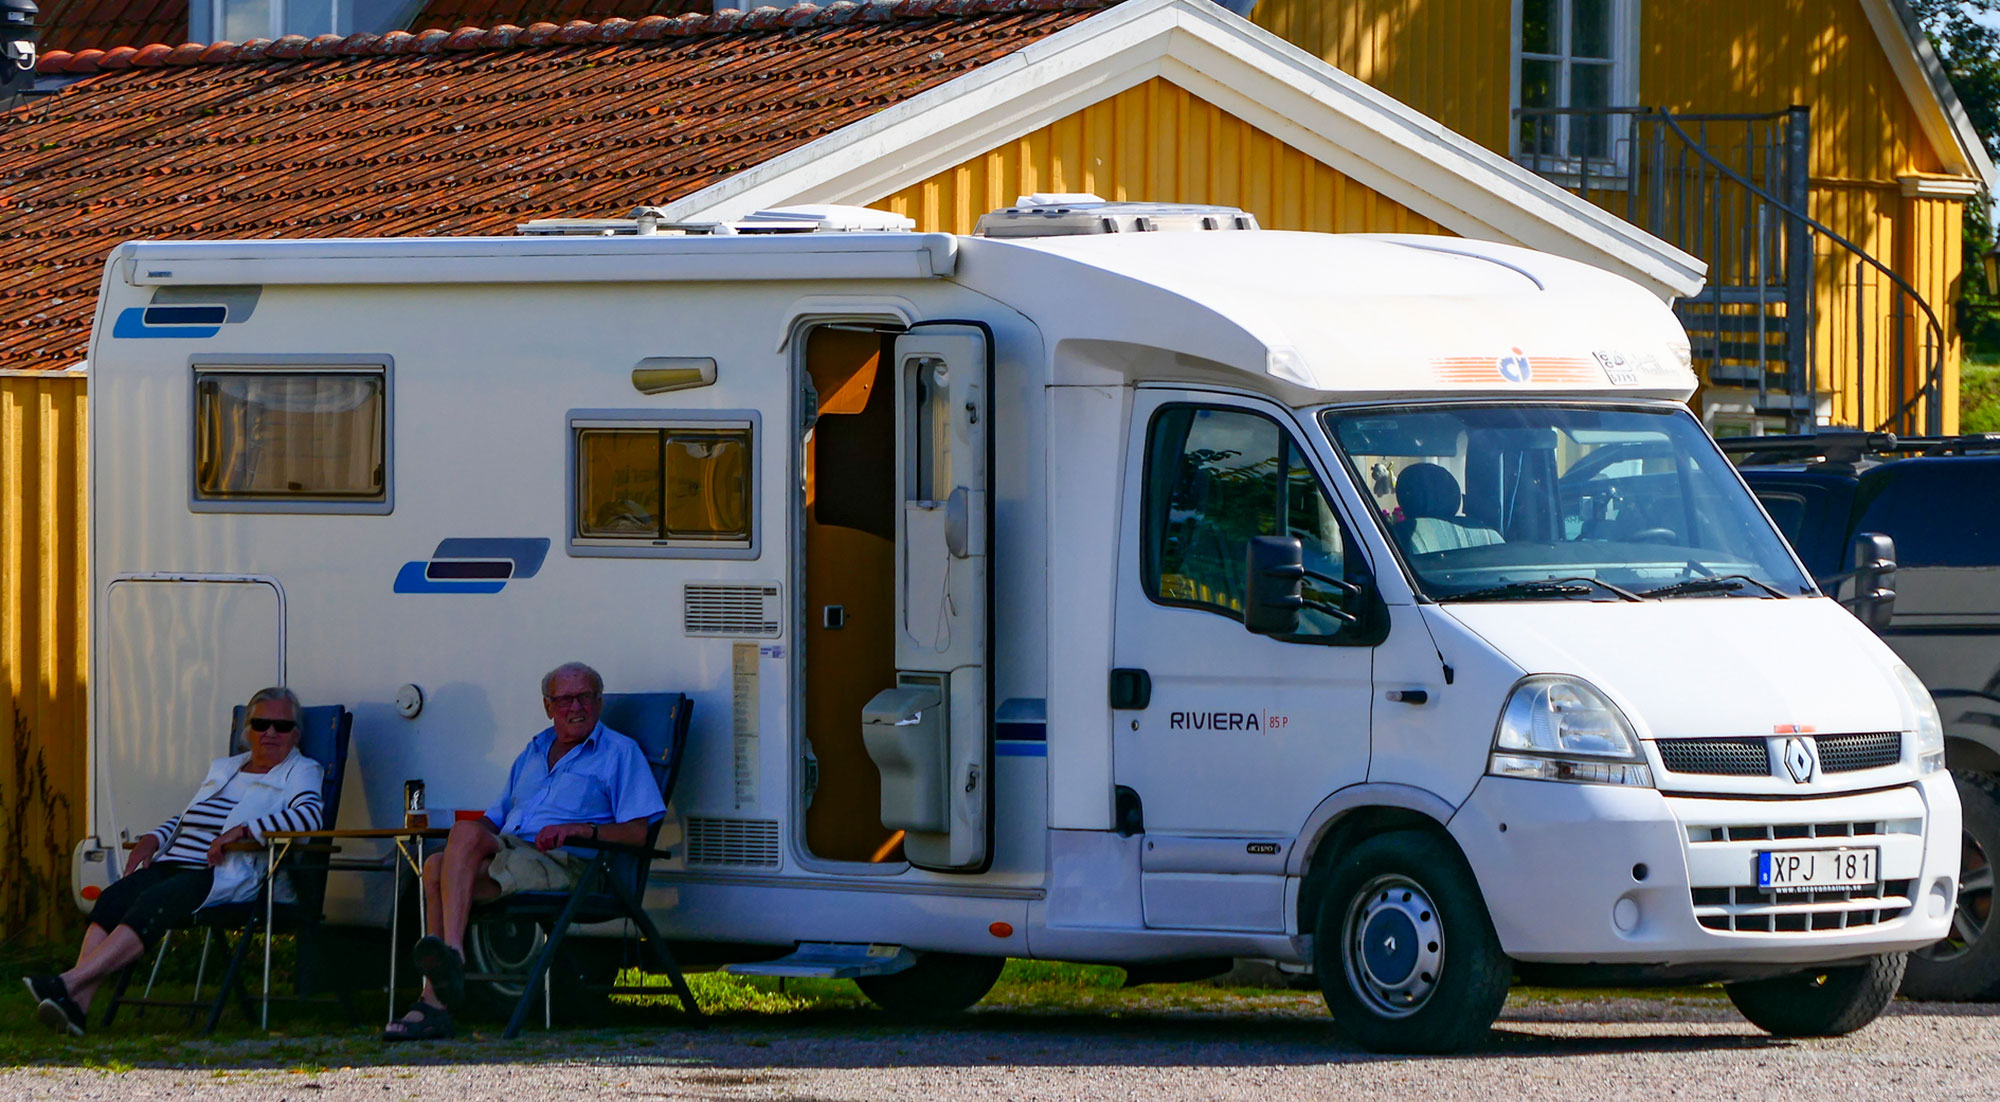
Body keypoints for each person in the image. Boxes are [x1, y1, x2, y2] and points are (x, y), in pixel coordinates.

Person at [382, 662, 665, 1042]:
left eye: (585, 697)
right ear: (548, 706)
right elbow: (494, 821)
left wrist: (580, 828)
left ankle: (435, 999)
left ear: (599, 702)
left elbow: (637, 834)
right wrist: (457, 839)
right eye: (565, 699)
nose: (575, 707)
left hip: (568, 863)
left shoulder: (619, 753)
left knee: (437, 870)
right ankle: (451, 957)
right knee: (441, 855)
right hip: (513, 849)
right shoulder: (533, 751)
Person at [22, 686, 324, 1036]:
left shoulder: (301, 770)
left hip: (223, 873)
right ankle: (77, 1004)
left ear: (296, 735)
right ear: (248, 730)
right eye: (261, 724)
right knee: (114, 897)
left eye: (282, 726)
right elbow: (189, 817)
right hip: (176, 860)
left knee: (156, 901)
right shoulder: (225, 768)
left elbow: (309, 818)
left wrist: (244, 831)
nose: (270, 732)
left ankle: (68, 982)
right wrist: (154, 837)